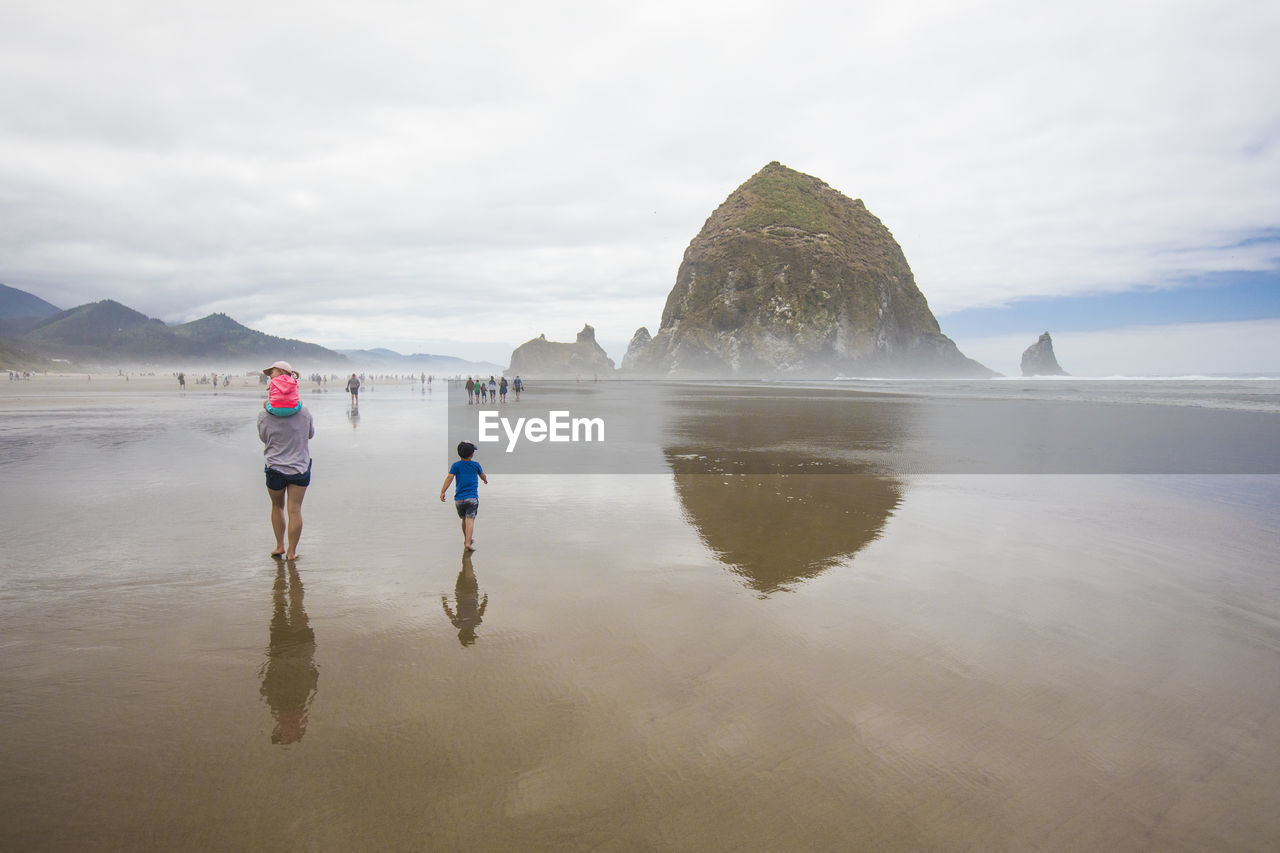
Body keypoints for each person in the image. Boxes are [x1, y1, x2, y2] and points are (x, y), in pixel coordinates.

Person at [259, 361, 315, 561]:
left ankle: (279, 545)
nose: (270, 376)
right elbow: (310, 435)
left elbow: (264, 438)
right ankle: (291, 551)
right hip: (299, 467)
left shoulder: (264, 414)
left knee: (277, 507)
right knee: (295, 510)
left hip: (275, 467)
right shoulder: (304, 412)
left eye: (271, 373)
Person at [439, 440, 487, 551]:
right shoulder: (476, 465)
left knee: (464, 519)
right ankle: (468, 543)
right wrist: (485, 479)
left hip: (459, 499)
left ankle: (467, 539)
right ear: (472, 454)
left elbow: (449, 478)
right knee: (470, 519)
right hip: (472, 498)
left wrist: (443, 492)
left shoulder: (455, 466)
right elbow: (482, 475)